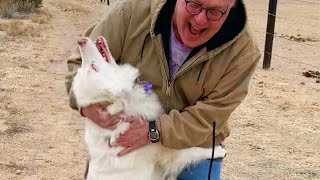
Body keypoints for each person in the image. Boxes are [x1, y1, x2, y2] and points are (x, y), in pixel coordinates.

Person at [65, 0, 261, 179]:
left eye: (215, 11)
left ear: (230, 7)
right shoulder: (131, 11)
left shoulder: (243, 51)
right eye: (194, 4)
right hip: (127, 133)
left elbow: (212, 115)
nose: (201, 20)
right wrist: (86, 104)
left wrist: (153, 130)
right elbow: (81, 63)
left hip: (193, 140)